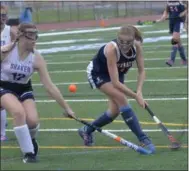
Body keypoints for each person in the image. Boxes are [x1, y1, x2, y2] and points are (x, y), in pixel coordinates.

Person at [0, 23, 75, 163]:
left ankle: (30, 140)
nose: (34, 40)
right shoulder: (6, 52)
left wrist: (67, 108)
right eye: (30, 36)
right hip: (3, 86)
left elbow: (49, 86)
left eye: (36, 36)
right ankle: (29, 153)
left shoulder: (37, 58)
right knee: (18, 112)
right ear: (20, 36)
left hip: (23, 89)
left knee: (33, 121)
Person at [78, 25, 156, 153]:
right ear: (117, 39)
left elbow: (141, 71)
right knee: (121, 99)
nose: (124, 45)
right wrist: (136, 96)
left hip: (116, 72)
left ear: (134, 40)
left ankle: (86, 130)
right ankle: (143, 139)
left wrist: (139, 91)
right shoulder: (111, 49)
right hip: (98, 73)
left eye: (128, 42)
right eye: (121, 42)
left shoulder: (137, 47)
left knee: (114, 111)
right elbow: (115, 83)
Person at [1, 4, 17, 141]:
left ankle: (2, 133)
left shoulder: (10, 31)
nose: (2, 18)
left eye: (4, 15)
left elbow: (17, 48)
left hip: (5, 70)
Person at [156, 0, 188, 66]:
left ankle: (171, 60)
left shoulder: (180, 2)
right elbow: (166, 10)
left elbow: (187, 9)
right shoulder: (169, 2)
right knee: (178, 42)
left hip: (179, 22)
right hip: (172, 22)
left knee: (174, 40)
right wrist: (163, 17)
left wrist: (183, 13)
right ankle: (184, 60)